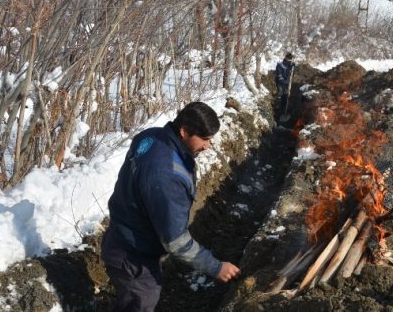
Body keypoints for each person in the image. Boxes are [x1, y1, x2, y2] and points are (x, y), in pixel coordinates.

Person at [102, 101, 240, 311]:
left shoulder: (151, 136)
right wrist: (216, 267)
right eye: (204, 139)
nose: (207, 146)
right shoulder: (166, 174)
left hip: (123, 235)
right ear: (184, 131)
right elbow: (175, 242)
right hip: (133, 255)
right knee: (141, 301)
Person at [274, 52, 295, 120]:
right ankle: (277, 112)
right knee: (280, 95)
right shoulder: (280, 65)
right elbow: (279, 75)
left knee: (286, 97)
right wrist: (284, 81)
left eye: (290, 59)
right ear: (286, 57)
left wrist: (293, 66)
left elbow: (291, 73)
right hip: (281, 83)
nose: (289, 60)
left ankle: (284, 112)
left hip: (287, 84)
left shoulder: (290, 65)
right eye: (289, 58)